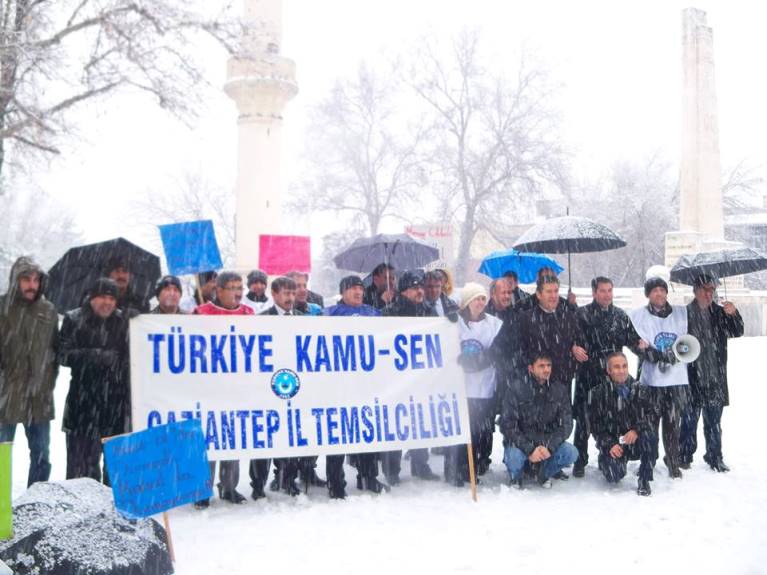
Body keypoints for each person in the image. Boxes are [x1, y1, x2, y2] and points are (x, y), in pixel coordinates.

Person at [58, 278, 130, 484]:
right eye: (101, 297)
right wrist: (95, 356)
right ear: (91, 298)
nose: (106, 302)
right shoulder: (74, 319)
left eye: (111, 298)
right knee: (80, 471)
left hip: (114, 406)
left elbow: (130, 358)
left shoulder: (122, 321)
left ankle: (111, 511)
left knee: (114, 471)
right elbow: (63, 355)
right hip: (82, 405)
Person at [572, 276, 643, 477]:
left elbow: (632, 339)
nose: (606, 295)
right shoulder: (582, 314)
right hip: (588, 373)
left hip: (613, 375)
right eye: (602, 291)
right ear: (594, 292)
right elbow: (570, 338)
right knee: (583, 420)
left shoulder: (620, 316)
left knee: (612, 416)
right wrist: (573, 348)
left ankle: (613, 450)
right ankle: (580, 460)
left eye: (609, 290)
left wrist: (642, 346)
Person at [194, 271, 254, 505]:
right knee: (208, 439)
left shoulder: (249, 314)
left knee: (232, 437)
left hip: (236, 387)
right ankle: (202, 491)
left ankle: (229, 487)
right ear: (218, 290)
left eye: (240, 287)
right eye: (232, 287)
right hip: (208, 387)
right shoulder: (201, 313)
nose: (238, 292)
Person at [325, 275, 387, 494]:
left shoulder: (373, 313)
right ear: (342, 292)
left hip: (366, 383)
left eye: (360, 288)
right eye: (352, 288)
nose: (358, 292)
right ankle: (335, 483)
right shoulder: (329, 314)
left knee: (368, 431)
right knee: (338, 435)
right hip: (338, 384)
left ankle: (369, 477)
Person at [0, 257, 59, 486]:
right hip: (6, 398)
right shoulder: (2, 308)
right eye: (26, 279)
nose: (32, 285)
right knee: (2, 456)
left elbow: (55, 351)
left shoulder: (49, 310)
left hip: (39, 398)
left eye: (36, 280)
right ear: (15, 279)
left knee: (42, 456)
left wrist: (47, 384)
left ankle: (35, 504)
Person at [680, 275, 744, 472]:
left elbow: (737, 331)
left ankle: (715, 456)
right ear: (695, 290)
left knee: (714, 422)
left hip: (715, 375)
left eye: (712, 289)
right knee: (689, 420)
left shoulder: (720, 312)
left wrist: (734, 314)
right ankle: (684, 455)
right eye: (705, 289)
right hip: (692, 376)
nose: (709, 294)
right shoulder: (684, 314)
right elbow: (678, 345)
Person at [381, 270, 440, 484]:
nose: (420, 291)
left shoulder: (428, 310)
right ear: (404, 291)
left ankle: (420, 464)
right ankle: (391, 469)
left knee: (420, 421)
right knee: (396, 422)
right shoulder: (389, 312)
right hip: (396, 377)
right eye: (415, 287)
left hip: (421, 376)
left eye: (420, 287)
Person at [630, 273, 690, 479]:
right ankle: (650, 459)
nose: (660, 294)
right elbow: (635, 344)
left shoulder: (681, 314)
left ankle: (673, 461)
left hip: (676, 380)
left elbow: (688, 342)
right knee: (651, 423)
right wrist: (654, 354)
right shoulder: (639, 316)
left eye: (662, 290)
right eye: (655, 290)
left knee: (673, 424)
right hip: (652, 380)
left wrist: (674, 354)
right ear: (648, 294)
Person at [446, 283, 503, 486]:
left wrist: (477, 361)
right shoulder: (454, 323)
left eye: (482, 299)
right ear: (467, 302)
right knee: (463, 431)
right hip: (462, 387)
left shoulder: (494, 324)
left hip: (485, 386)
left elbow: (497, 350)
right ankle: (457, 469)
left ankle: (475, 466)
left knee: (481, 431)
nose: (480, 302)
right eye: (475, 299)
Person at [500, 354, 578, 489]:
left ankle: (543, 474)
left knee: (571, 452)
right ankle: (517, 476)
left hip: (547, 443)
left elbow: (566, 424)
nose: (546, 370)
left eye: (549, 366)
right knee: (513, 457)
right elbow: (508, 425)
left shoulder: (559, 390)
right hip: (521, 444)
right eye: (541, 366)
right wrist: (530, 449)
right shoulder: (516, 388)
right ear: (531, 368)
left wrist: (550, 447)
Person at [588, 352, 656, 495]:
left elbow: (651, 415)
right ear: (609, 370)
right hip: (613, 443)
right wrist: (609, 444)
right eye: (617, 367)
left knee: (650, 437)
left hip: (634, 441)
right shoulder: (598, 393)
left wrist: (636, 430)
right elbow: (595, 426)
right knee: (614, 475)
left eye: (624, 366)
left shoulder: (640, 389)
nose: (622, 370)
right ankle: (606, 460)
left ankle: (644, 479)